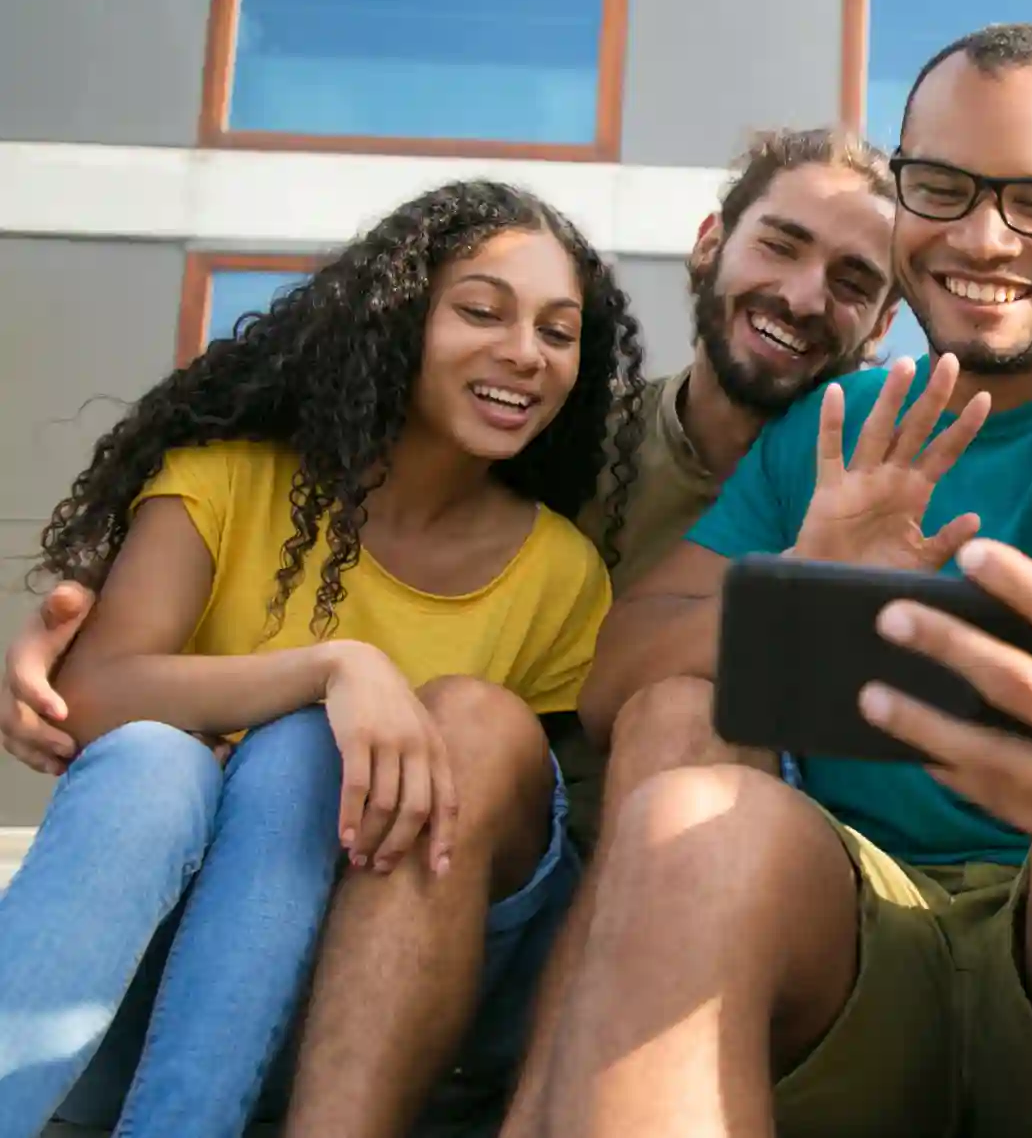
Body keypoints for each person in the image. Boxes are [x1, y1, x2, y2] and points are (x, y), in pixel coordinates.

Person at [0, 128, 1032, 1137]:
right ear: (711, 244)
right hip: (374, 872)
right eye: (781, 246)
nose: (804, 298)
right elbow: (310, 527)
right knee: (380, 736)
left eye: (852, 283)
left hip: (703, 905)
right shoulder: (561, 456)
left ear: (884, 321)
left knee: (672, 719)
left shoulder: (898, 464)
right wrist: (81, 635)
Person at [532, 24, 1032, 1138]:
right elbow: (617, 676)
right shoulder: (831, 432)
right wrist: (800, 582)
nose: (984, 238)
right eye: (941, 186)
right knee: (683, 770)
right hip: (849, 944)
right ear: (900, 192)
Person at [0, 180, 646, 1138]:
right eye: (481, 310)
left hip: (355, 1020)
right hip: (127, 1007)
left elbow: (537, 849)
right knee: (151, 758)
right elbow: (87, 695)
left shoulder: (558, 572)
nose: (525, 352)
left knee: (304, 758)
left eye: (560, 332)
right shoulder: (221, 482)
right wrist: (333, 666)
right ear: (395, 319)